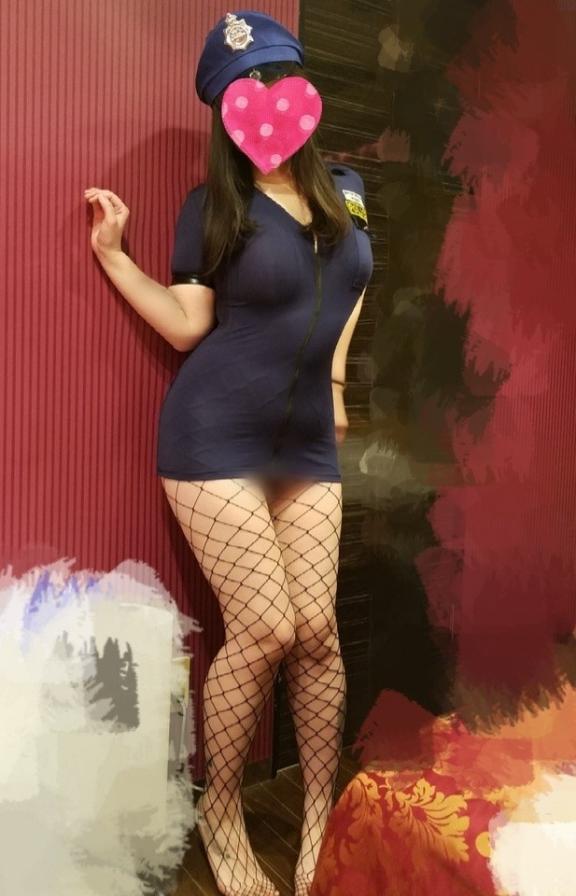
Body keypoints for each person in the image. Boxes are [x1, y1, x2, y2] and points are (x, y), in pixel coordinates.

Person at [84, 10, 373, 896]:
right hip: (215, 434)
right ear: (225, 110)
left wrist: (334, 383)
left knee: (318, 633)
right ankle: (222, 812)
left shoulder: (348, 189)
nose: (265, 96)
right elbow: (187, 326)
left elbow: (355, 285)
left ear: (301, 87)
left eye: (277, 77)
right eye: (245, 87)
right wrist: (115, 258)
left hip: (306, 438)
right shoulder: (212, 206)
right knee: (266, 628)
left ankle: (319, 812)